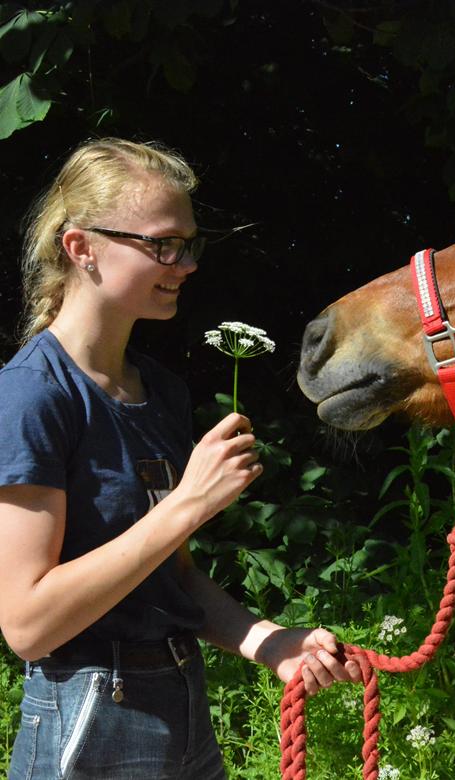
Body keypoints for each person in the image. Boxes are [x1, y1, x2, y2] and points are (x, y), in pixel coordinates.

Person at [0, 137, 361, 779]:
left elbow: (175, 578)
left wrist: (268, 641)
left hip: (182, 706)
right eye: (162, 244)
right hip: (85, 715)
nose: (185, 263)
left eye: (189, 244)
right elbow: (28, 625)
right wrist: (191, 502)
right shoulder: (32, 395)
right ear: (80, 247)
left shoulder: (159, 387)